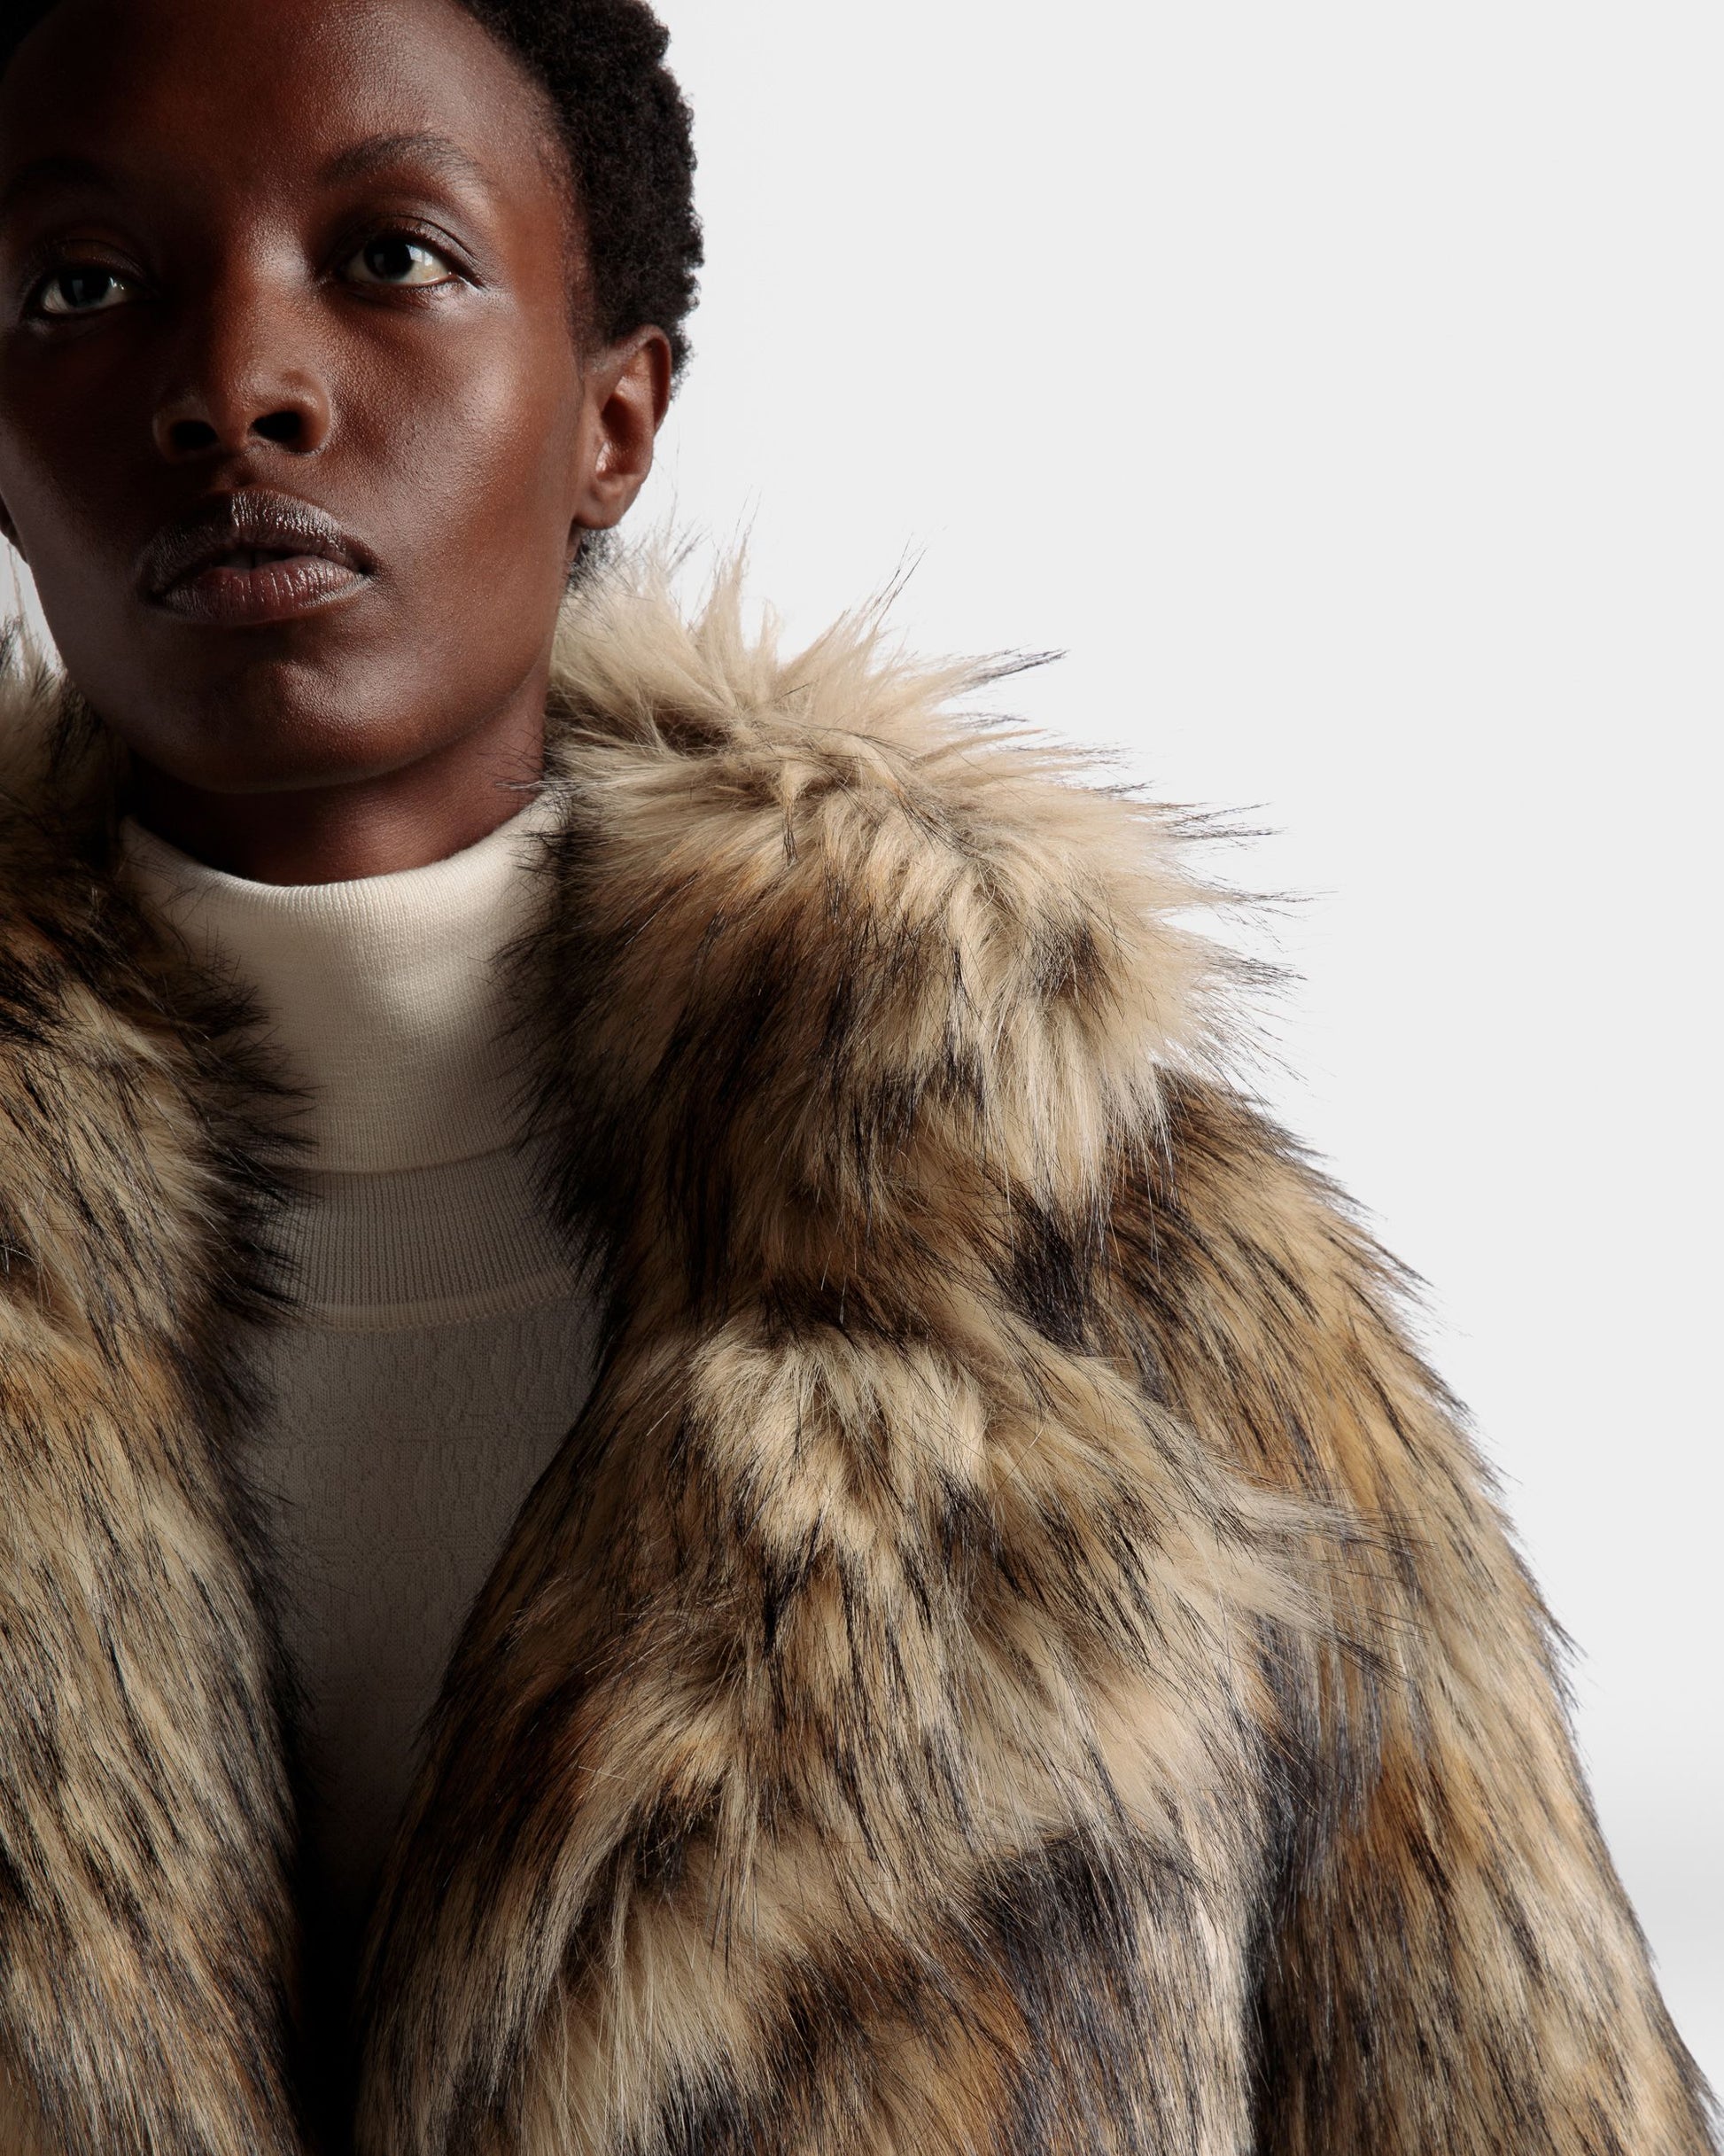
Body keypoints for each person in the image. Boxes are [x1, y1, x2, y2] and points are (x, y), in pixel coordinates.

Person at [0, 1, 1712, 2152]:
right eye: (84, 286)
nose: (237, 385)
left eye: (394, 257)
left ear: (614, 417)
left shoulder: (1115, 1273)